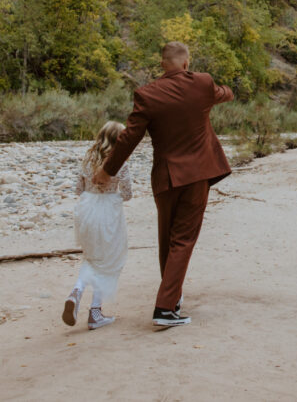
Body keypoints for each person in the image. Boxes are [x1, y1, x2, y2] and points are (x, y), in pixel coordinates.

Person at [95, 42, 234, 328]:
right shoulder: (203, 83)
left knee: (167, 241)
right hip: (196, 175)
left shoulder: (146, 95)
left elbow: (128, 138)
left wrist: (107, 171)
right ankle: (165, 308)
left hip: (165, 178)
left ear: (162, 64)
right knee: (183, 240)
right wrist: (213, 90)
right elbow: (225, 94)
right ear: (186, 63)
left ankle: (172, 297)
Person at [62, 121, 132, 330]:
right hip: (109, 212)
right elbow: (128, 194)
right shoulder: (121, 163)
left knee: (92, 256)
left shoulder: (88, 159)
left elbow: (78, 188)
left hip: (87, 209)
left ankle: (77, 289)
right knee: (108, 259)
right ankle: (95, 312)